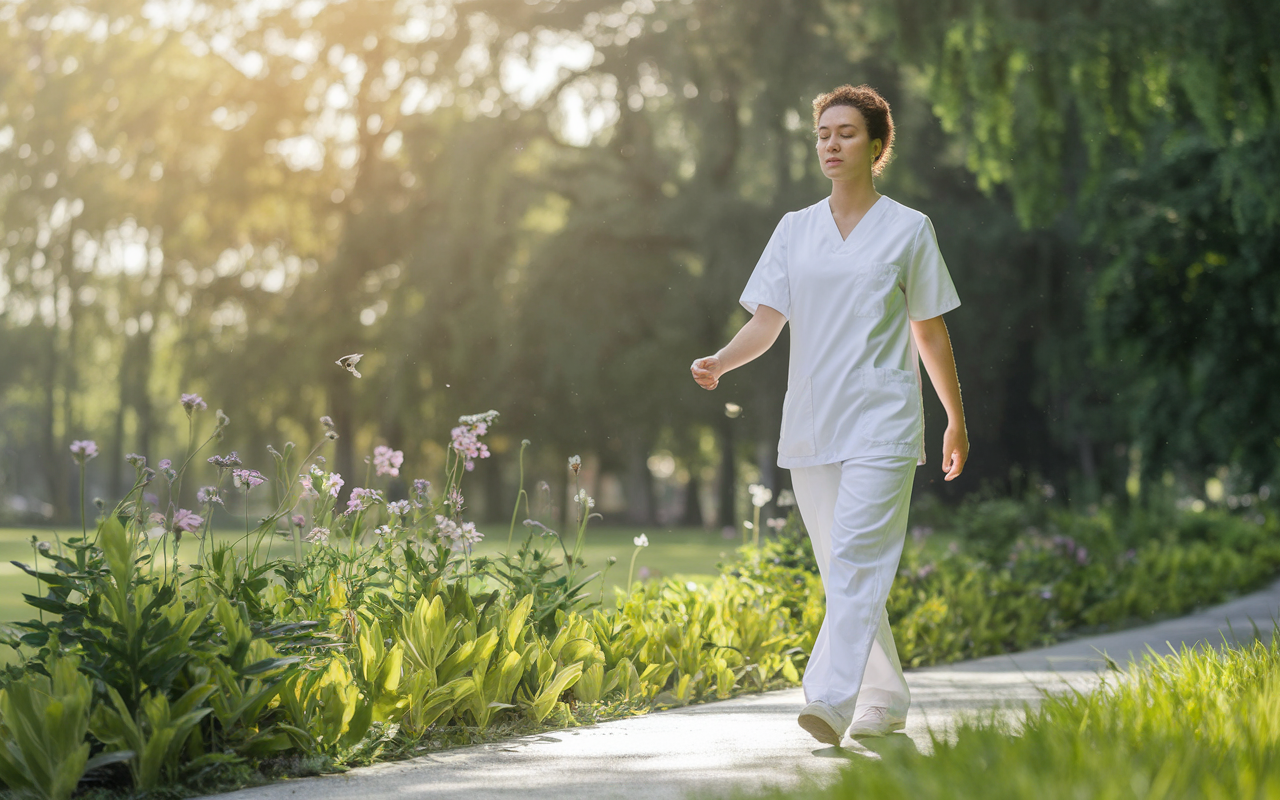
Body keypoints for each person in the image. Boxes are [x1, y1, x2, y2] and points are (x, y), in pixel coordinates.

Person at [689, 84, 968, 747]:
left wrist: (955, 418)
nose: (831, 144)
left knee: (857, 556)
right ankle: (885, 698)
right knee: (846, 569)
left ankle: (832, 701)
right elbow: (766, 320)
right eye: (822, 134)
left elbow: (928, 331)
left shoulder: (909, 229)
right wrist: (722, 362)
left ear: (876, 146)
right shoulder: (795, 229)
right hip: (813, 420)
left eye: (845, 133)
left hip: (884, 419)